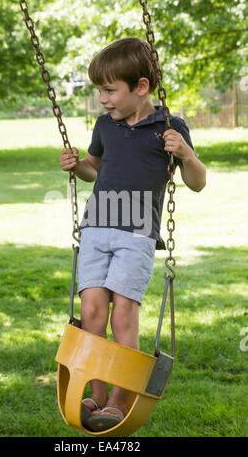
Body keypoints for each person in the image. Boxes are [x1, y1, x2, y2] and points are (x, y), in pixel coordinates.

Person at [59, 37, 206, 431]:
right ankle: (98, 392)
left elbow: (197, 182)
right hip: (95, 229)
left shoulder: (170, 126)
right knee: (92, 311)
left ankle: (121, 399)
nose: (103, 99)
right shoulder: (105, 125)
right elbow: (95, 168)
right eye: (99, 91)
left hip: (136, 235)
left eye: (110, 90)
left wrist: (187, 155)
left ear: (140, 87)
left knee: (124, 313)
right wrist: (77, 166)